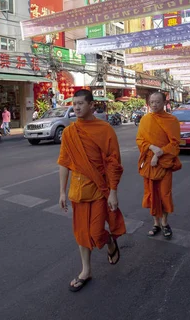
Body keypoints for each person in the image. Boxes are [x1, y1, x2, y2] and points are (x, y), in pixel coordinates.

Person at [58, 90, 125, 292]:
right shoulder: (70, 132)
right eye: (74, 104)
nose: (76, 107)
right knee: (81, 233)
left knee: (96, 233)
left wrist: (113, 191)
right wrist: (62, 191)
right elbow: (64, 162)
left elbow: (114, 163)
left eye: (80, 103)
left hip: (98, 189)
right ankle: (85, 271)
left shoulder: (105, 130)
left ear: (91, 105)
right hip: (78, 191)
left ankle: (110, 243)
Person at [136, 91, 182, 239]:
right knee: (151, 194)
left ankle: (165, 222)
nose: (154, 104)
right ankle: (156, 223)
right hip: (149, 163)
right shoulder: (145, 120)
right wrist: (152, 148)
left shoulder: (171, 120)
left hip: (164, 163)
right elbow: (139, 140)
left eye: (157, 102)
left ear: (164, 103)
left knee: (164, 194)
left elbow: (175, 144)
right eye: (152, 102)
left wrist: (159, 153)